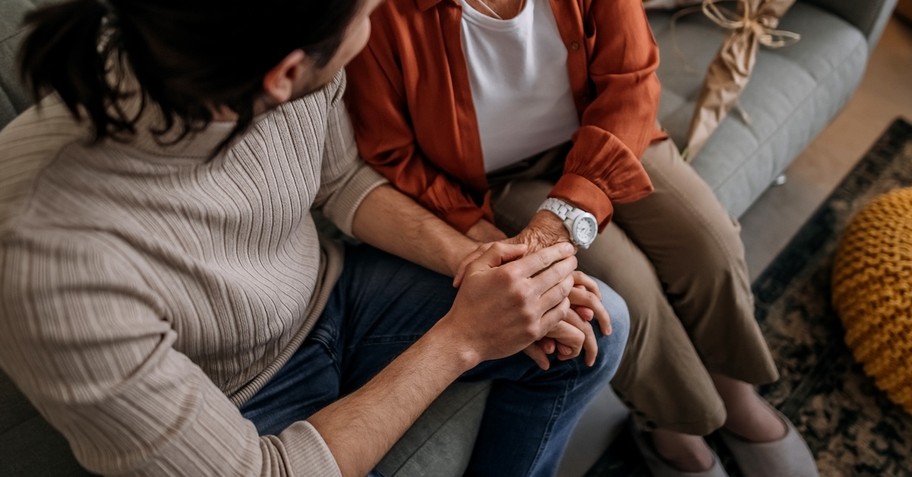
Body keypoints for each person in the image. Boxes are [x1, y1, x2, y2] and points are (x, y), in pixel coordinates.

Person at [0, 0, 632, 476]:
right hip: (240, 402)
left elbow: (339, 179)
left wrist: (472, 261)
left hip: (333, 299)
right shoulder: (51, 261)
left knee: (593, 329)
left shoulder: (269, 49)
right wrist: (461, 339)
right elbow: (263, 470)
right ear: (285, 74)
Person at [343, 0, 819, 475]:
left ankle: (736, 397)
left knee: (709, 246)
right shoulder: (377, 11)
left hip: (606, 131)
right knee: (626, 291)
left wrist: (561, 217)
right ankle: (676, 428)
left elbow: (631, 76)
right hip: (494, 183)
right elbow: (392, 151)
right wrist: (479, 231)